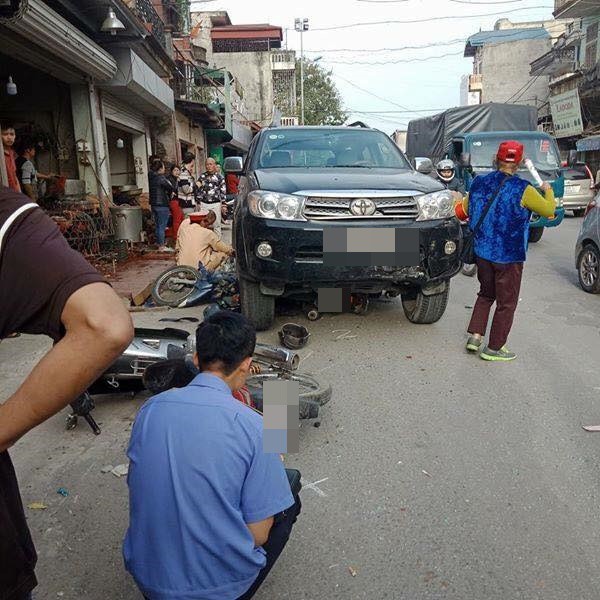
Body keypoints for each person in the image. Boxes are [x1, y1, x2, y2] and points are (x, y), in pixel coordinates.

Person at [0, 186, 134, 600]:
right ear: (242, 367)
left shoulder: (155, 420)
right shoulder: (251, 417)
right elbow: (259, 521)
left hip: (143, 567)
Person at [123, 311, 301, 600]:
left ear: (196, 361)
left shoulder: (150, 409)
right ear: (247, 365)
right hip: (216, 590)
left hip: (149, 580)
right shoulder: (255, 426)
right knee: (290, 488)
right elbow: (258, 535)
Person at [456, 140, 556, 362]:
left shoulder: (479, 183)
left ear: (496, 159)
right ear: (519, 163)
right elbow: (549, 210)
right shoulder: (524, 189)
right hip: (509, 256)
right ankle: (494, 348)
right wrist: (547, 191)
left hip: (482, 252)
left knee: (485, 294)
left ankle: (475, 337)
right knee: (506, 302)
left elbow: (461, 211)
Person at [148, 159, 174, 253]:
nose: (164, 169)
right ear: (160, 169)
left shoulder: (151, 177)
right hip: (162, 204)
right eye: (163, 167)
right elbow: (170, 187)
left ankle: (159, 243)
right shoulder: (161, 178)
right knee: (162, 226)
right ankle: (161, 246)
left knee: (158, 225)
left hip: (154, 204)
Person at [197, 157, 226, 238]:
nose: (208, 166)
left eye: (210, 164)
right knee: (203, 225)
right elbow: (198, 190)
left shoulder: (220, 177)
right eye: (207, 164)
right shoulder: (202, 176)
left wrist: (223, 204)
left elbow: (223, 191)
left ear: (214, 165)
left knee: (217, 225)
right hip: (204, 203)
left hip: (215, 203)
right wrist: (198, 202)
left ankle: (217, 245)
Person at [1, 125, 21, 193]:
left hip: (14, 192)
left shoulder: (12, 153)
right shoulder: (1, 154)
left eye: (12, 134)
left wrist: (19, 193)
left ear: (15, 136)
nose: (9, 137)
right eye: (5, 134)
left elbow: (14, 175)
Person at [166, 164, 184, 237]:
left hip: (179, 201)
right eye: (175, 170)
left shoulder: (177, 179)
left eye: (178, 170)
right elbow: (173, 190)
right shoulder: (170, 180)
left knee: (180, 219)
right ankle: (176, 237)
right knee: (177, 220)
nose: (176, 172)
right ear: (171, 171)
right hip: (174, 201)